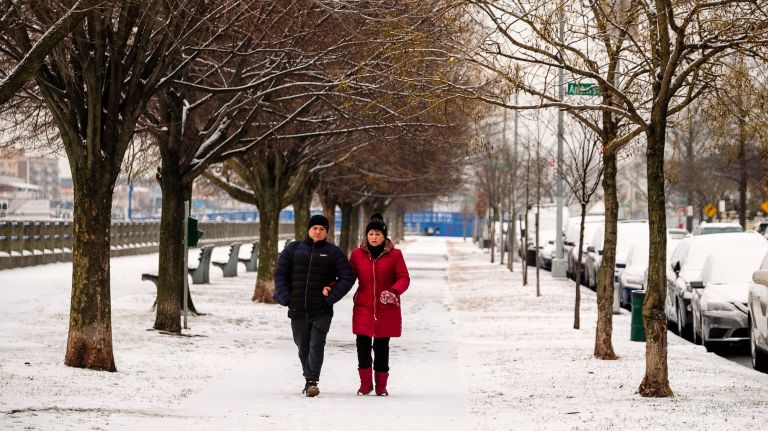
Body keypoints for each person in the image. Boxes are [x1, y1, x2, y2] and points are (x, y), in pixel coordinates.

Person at [273, 214, 356, 397]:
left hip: (322, 310)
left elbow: (347, 276)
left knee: (316, 344)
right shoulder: (293, 249)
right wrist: (286, 297)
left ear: (327, 232)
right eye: (314, 228)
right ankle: (308, 378)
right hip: (297, 308)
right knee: (302, 345)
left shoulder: (334, 252)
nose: (318, 232)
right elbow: (279, 274)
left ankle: (312, 381)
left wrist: (330, 297)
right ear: (308, 230)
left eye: (322, 229)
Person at [348, 213, 410, 396]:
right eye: (371, 234)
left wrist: (394, 292)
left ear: (384, 236)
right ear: (366, 235)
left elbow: (404, 278)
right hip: (363, 306)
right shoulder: (357, 255)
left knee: (382, 347)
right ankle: (365, 384)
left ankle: (381, 386)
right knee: (362, 346)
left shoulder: (395, 255)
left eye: (378, 234)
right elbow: (347, 278)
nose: (374, 237)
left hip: (386, 308)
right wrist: (331, 287)